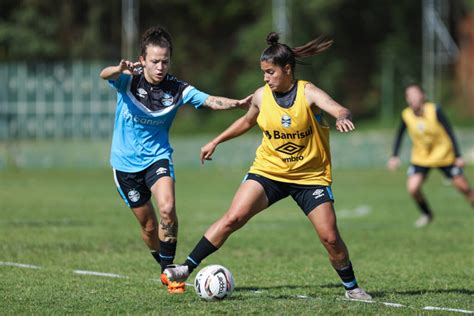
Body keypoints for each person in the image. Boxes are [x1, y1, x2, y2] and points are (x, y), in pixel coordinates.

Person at [164, 32, 372, 300]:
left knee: (330, 237)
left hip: (310, 177)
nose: (265, 78)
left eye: (270, 72)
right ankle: (185, 268)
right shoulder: (262, 96)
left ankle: (352, 288)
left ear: (287, 69)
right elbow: (247, 122)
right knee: (233, 218)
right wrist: (216, 140)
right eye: (263, 72)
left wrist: (343, 117)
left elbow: (339, 109)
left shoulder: (308, 93)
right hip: (268, 171)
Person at [99, 26, 251, 293]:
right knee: (148, 227)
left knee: (167, 209)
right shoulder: (128, 79)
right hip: (124, 165)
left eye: (165, 61)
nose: (160, 67)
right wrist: (119, 68)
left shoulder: (177, 89)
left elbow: (210, 100)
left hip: (157, 158)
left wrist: (237, 104)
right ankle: (163, 267)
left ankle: (171, 275)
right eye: (155, 61)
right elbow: (104, 75)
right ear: (143, 59)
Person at [388, 84, 474, 227]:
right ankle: (427, 214)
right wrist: (394, 156)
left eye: (415, 94)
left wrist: (458, 155)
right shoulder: (406, 115)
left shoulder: (435, 110)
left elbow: (450, 131)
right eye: (409, 95)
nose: (412, 97)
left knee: (464, 188)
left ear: (423, 96)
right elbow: (399, 135)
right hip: (421, 158)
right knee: (413, 188)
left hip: (444, 155)